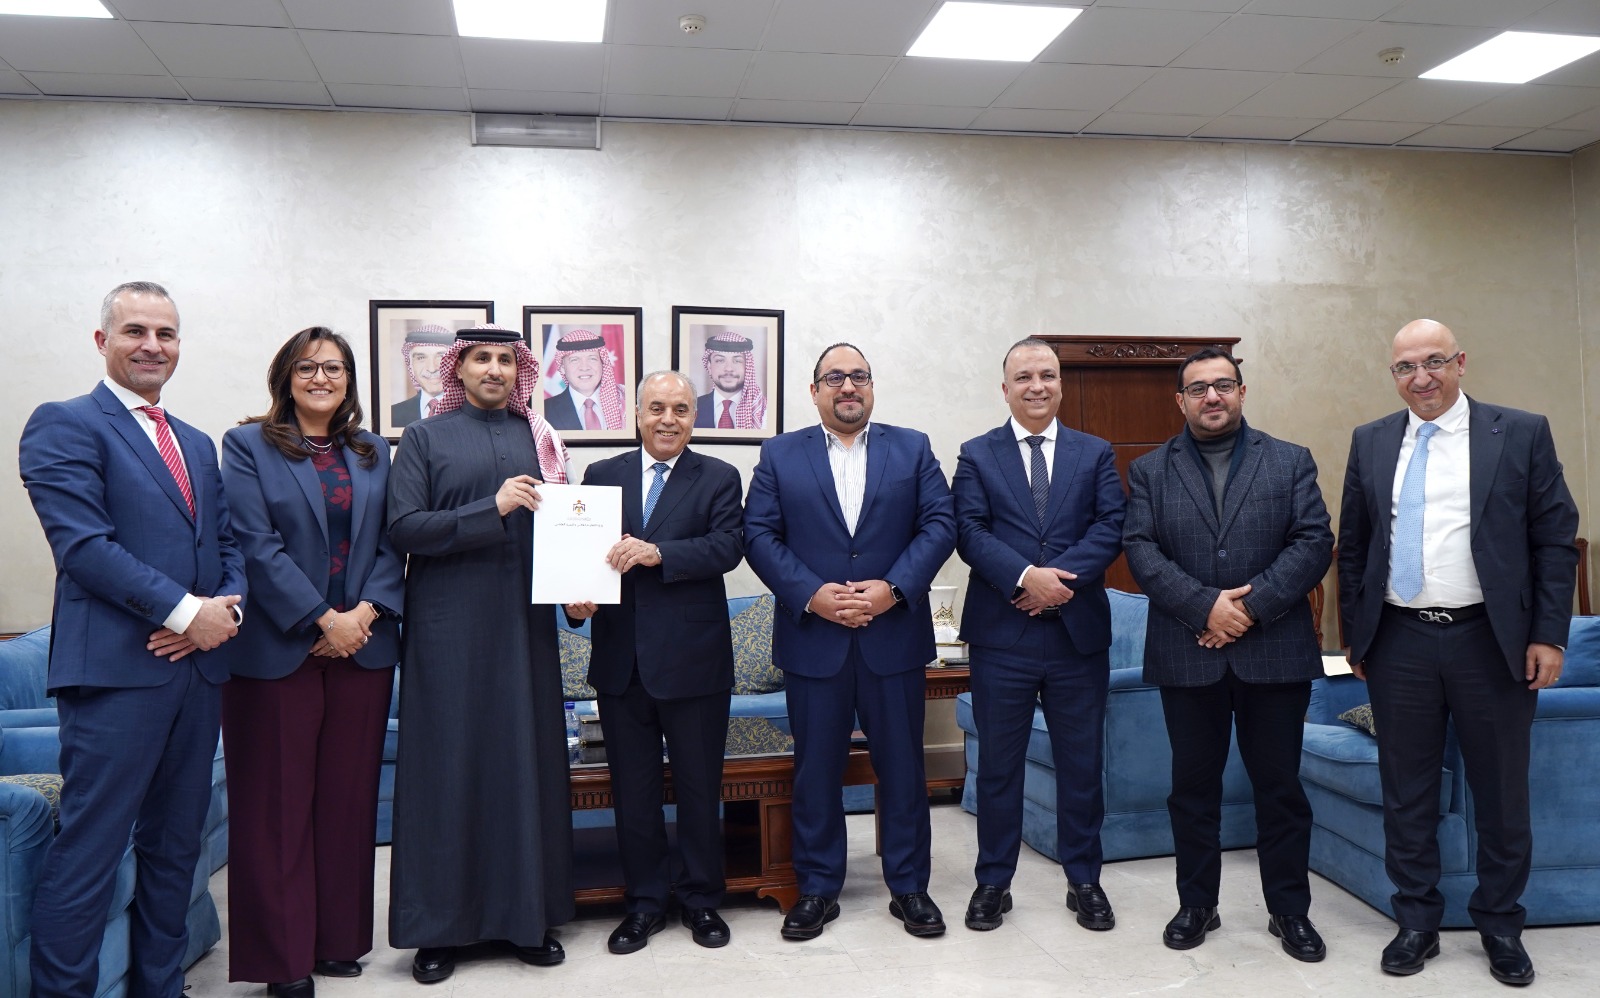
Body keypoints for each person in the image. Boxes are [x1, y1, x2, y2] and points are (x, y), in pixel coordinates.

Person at [18, 280, 247, 997]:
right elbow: (83, 548)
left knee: (177, 848)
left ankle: (160, 988)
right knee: (90, 853)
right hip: (116, 676)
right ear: (103, 341)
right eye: (135, 331)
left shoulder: (196, 443)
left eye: (166, 334)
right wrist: (185, 613)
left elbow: (228, 545)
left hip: (197, 675)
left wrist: (222, 616)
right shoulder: (64, 424)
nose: (153, 346)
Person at [1338, 319, 1578, 987]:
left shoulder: (1520, 432)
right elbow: (1353, 545)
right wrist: (1358, 634)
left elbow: (1555, 539)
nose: (1421, 378)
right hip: (1399, 640)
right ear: (1393, 374)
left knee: (1500, 793)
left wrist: (1548, 634)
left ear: (1461, 362)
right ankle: (1416, 920)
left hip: (1490, 641)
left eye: (1434, 361)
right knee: (1406, 791)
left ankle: (1500, 925)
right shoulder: (1371, 440)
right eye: (1405, 367)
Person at [1123, 347, 1333, 961]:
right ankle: (1197, 904)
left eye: (1223, 385)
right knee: (1192, 789)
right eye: (1198, 388)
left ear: (1242, 391)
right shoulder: (1150, 470)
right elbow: (1141, 550)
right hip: (1187, 651)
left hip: (1275, 652)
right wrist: (1204, 607)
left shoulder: (1290, 459)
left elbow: (1314, 542)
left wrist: (1246, 609)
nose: (1211, 396)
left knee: (1280, 788)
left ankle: (1289, 911)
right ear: (1180, 400)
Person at [743, 342, 956, 941]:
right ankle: (816, 889)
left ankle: (910, 887)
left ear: (871, 386)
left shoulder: (911, 447)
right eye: (834, 377)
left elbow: (940, 523)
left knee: (904, 769)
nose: (848, 386)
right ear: (814, 391)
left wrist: (894, 588)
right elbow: (757, 533)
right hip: (815, 639)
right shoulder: (780, 454)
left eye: (859, 376)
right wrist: (811, 594)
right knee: (815, 771)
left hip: (894, 636)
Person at [218, 327, 405, 997]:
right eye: (306, 367)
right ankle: (283, 959)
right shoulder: (247, 445)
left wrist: (363, 616)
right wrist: (323, 619)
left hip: (363, 646)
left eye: (333, 367)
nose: (321, 377)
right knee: (276, 807)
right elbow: (254, 543)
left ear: (350, 379)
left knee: (348, 802)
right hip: (278, 648)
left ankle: (337, 940)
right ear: (285, 378)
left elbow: (394, 541)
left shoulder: (374, 450)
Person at [385, 325, 574, 984]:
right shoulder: (423, 438)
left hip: (526, 627)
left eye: (504, 360)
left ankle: (528, 919)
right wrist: (488, 509)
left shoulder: (540, 438)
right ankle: (438, 929)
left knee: (525, 765)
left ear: (519, 372)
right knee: (446, 770)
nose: (494, 369)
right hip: (447, 631)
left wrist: (581, 591)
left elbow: (567, 530)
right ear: (457, 370)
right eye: (481, 359)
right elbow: (404, 527)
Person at [563, 371, 745, 955]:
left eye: (681, 409)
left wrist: (658, 551)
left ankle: (701, 900)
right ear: (637, 414)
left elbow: (728, 546)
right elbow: (582, 555)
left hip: (694, 663)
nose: (669, 419)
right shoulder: (602, 475)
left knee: (698, 789)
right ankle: (643, 903)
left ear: (694, 417)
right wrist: (574, 601)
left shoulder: (718, 476)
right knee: (634, 794)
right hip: (621, 663)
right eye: (658, 408)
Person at [951, 337, 1126, 934]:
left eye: (1047, 375)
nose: (1036, 386)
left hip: (1077, 636)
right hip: (1004, 636)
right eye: (1024, 376)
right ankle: (993, 883)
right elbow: (969, 531)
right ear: (1005, 389)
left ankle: (1085, 881)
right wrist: (1027, 577)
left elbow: (1111, 525)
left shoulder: (1094, 452)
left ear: (1060, 384)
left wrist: (1057, 582)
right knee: (999, 767)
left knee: (1082, 765)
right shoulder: (977, 454)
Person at [543, 329, 626, 431]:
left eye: (592, 358)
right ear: (562, 368)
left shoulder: (625, 402)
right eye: (575, 360)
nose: (584, 367)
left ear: (602, 363)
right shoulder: (544, 411)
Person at [694, 331, 768, 430]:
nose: (728, 368)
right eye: (720, 360)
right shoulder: (691, 408)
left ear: (747, 367)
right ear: (709, 367)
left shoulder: (765, 410)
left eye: (737, 361)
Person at [389, 325, 454, 428]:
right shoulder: (393, 414)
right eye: (421, 358)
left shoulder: (472, 413)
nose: (432, 368)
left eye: (441, 356)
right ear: (411, 365)